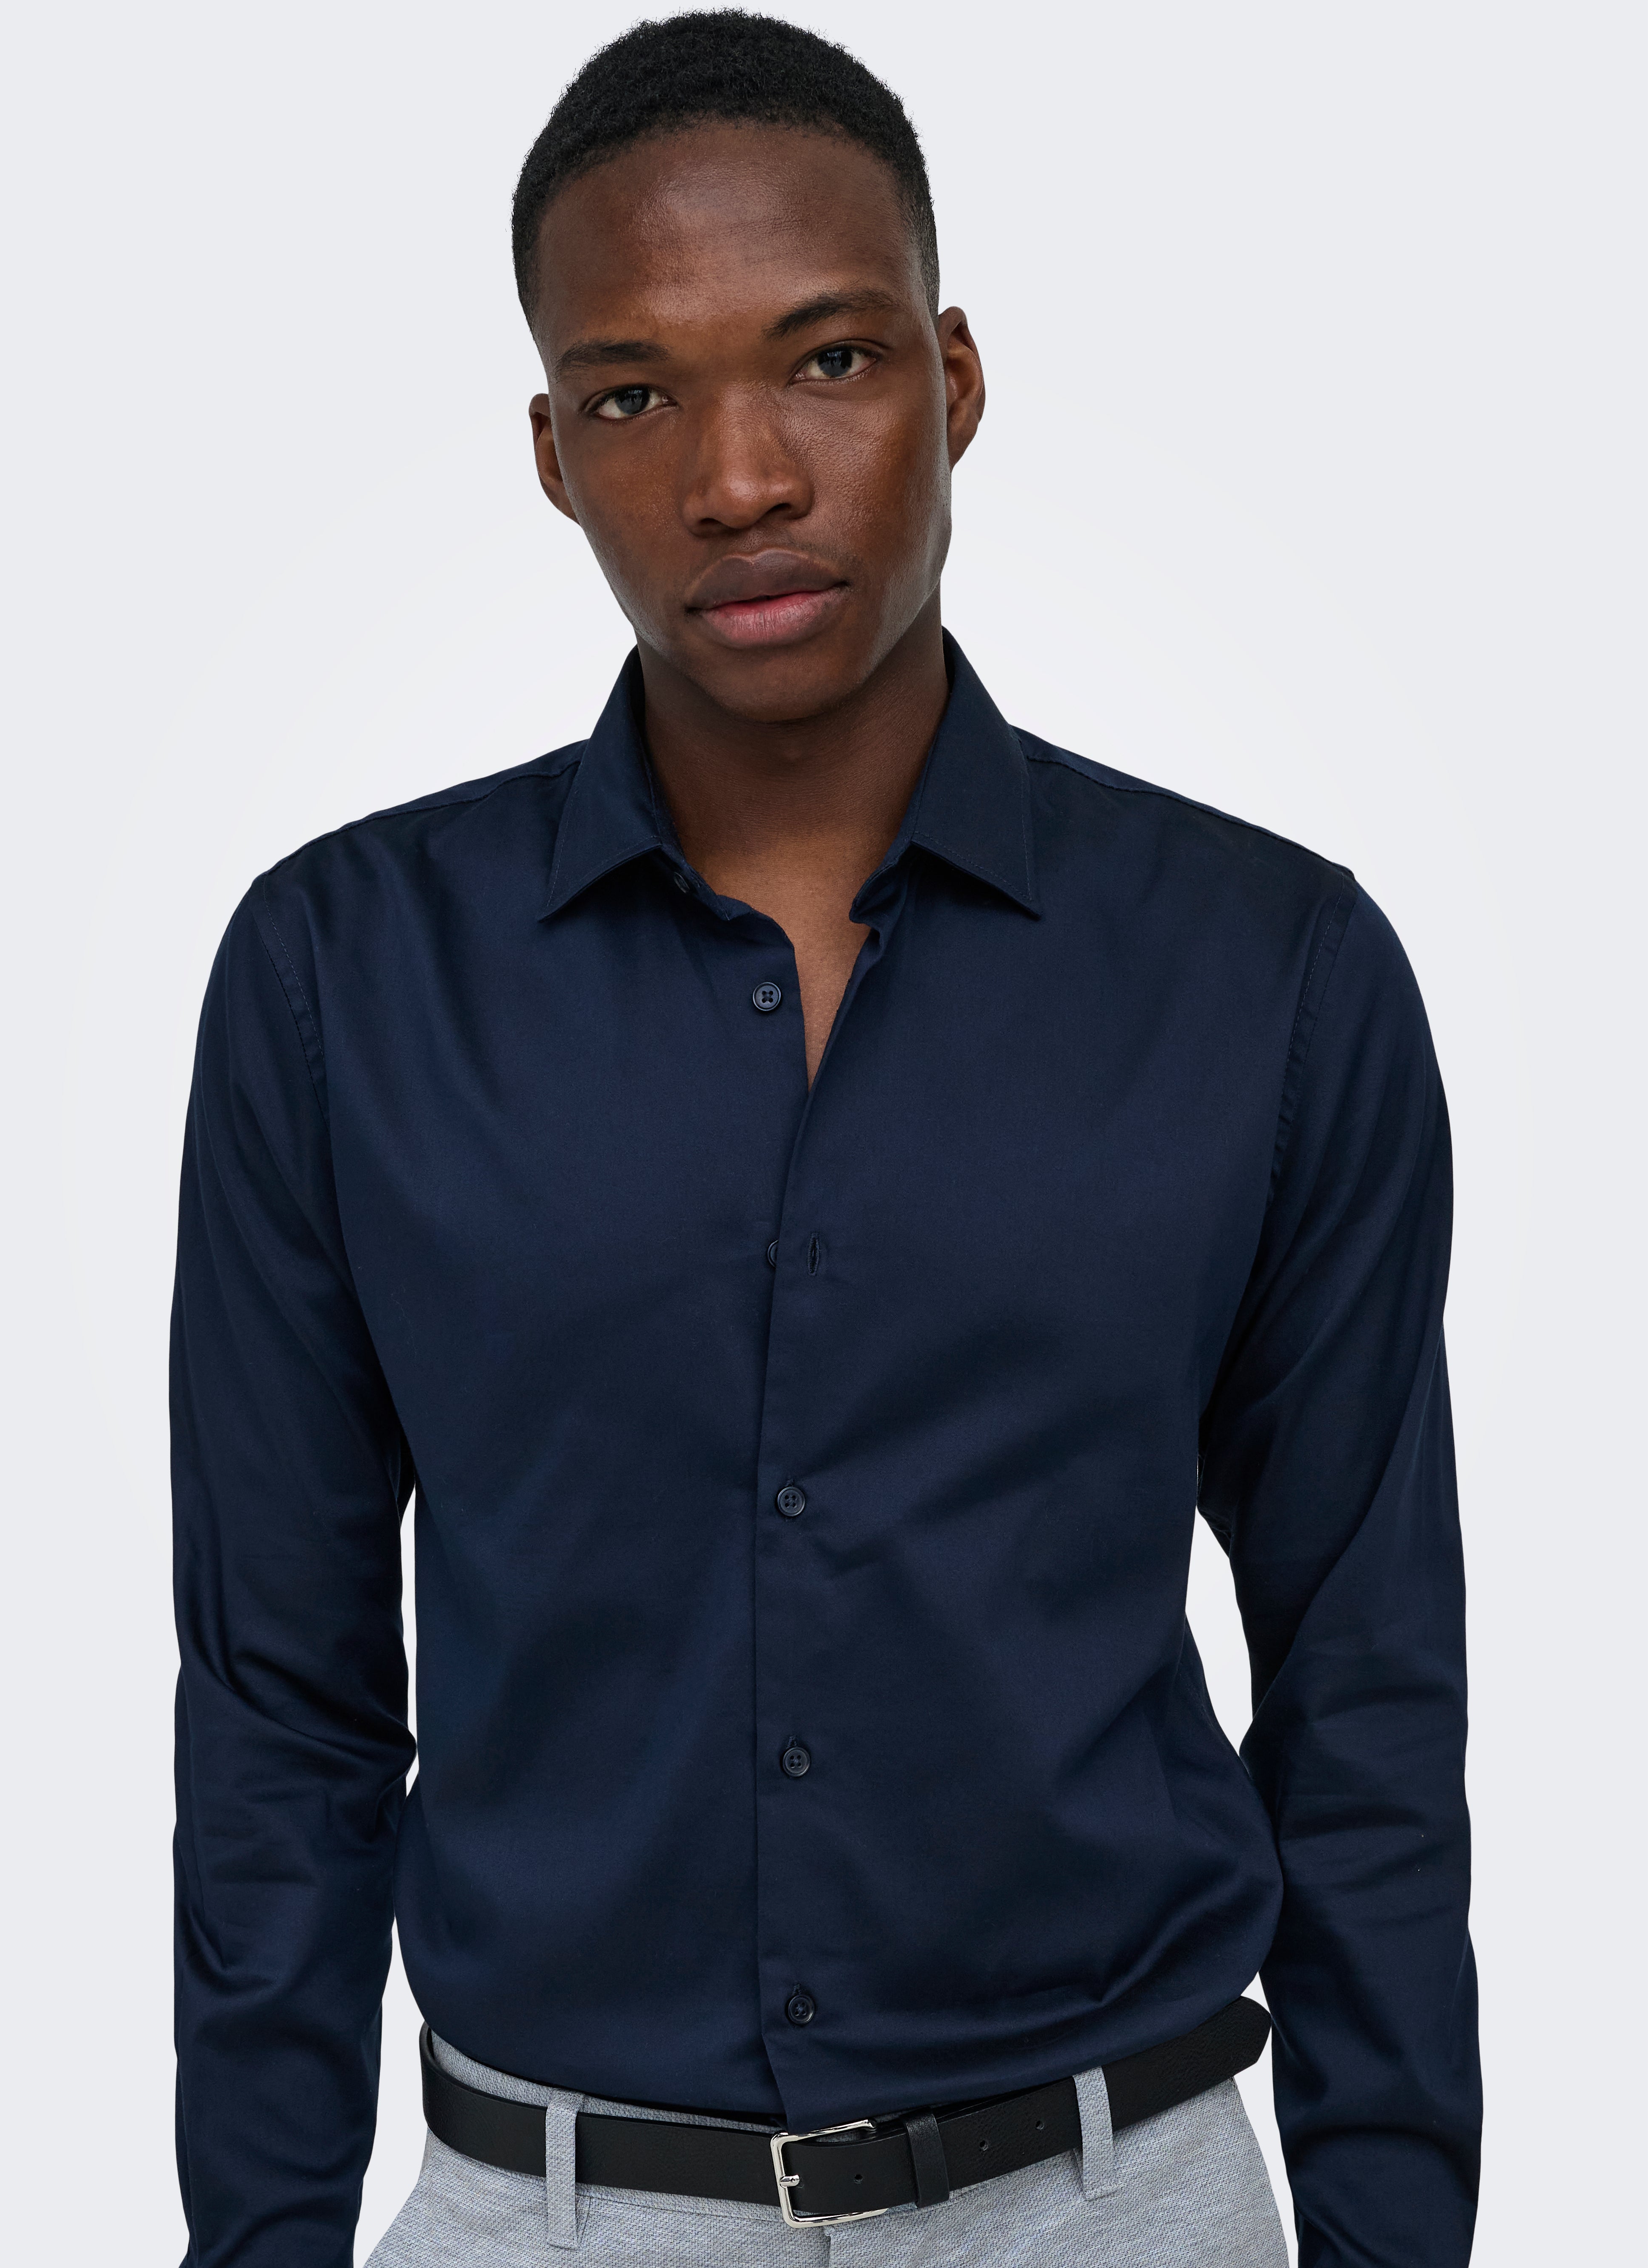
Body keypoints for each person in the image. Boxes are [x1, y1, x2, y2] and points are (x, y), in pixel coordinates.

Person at [170, 14, 1481, 2266]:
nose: (740, 478)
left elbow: (1363, 1686)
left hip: (1124, 2206)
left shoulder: (1273, 974)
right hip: (547, 2212)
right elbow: (282, 1717)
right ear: (552, 451)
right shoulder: (339, 978)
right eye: (634, 395)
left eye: (831, 360)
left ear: (955, 381)